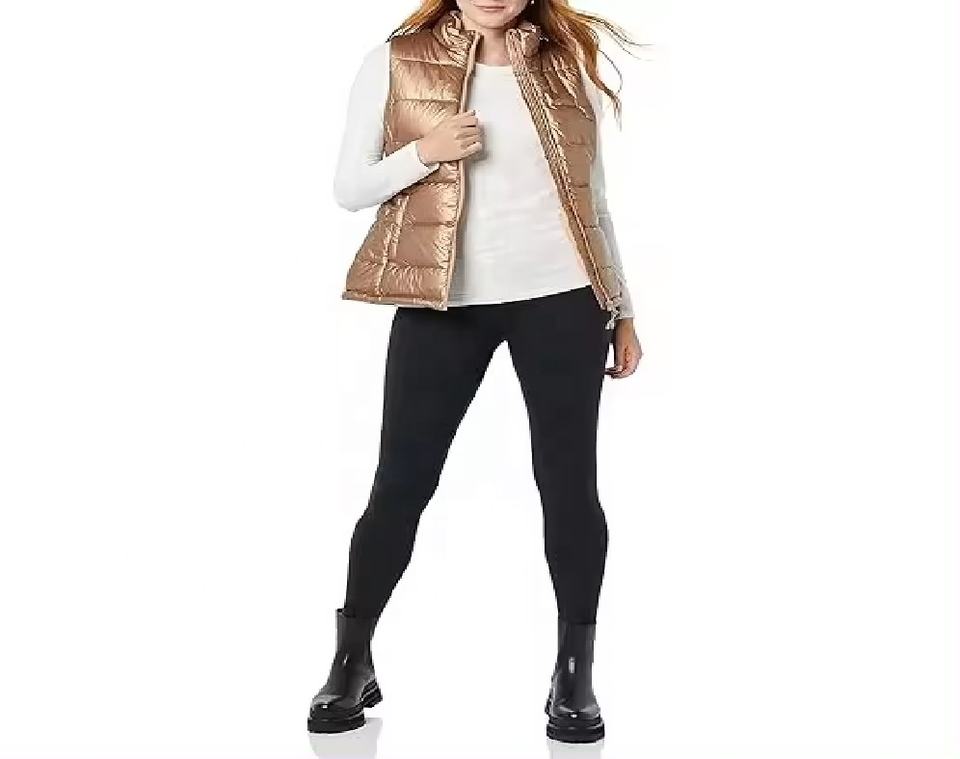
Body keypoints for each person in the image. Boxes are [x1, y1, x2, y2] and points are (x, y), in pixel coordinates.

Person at [308, 0, 643, 744]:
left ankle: (574, 673)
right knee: (400, 485)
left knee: (569, 487)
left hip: (563, 298)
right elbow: (349, 188)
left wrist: (621, 306)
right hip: (443, 302)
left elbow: (593, 197)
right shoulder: (394, 60)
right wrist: (424, 151)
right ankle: (351, 659)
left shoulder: (565, 65)